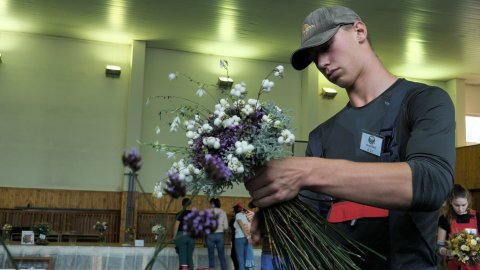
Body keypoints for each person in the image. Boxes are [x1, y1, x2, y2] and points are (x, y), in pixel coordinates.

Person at [245, 5, 455, 270]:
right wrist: (278, 218)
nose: (321, 63)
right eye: (314, 56)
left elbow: (432, 182)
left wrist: (306, 170)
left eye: (325, 46)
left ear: (359, 30)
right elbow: (313, 222)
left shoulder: (424, 101)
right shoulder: (322, 136)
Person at [437, 184, 480, 270]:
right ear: (450, 202)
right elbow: (439, 246)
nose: (460, 209)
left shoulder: (477, 217)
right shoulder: (445, 219)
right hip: (454, 265)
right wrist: (447, 252)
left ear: (468, 201)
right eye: (456, 205)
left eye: (464, 205)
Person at [172, 198, 195, 270]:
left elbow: (176, 225)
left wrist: (174, 237)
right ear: (190, 205)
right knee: (189, 257)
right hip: (191, 236)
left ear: (182, 205)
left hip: (181, 235)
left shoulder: (179, 213)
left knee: (183, 257)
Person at [206, 198, 229, 270]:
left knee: (211, 255)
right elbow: (226, 227)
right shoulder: (223, 212)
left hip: (210, 235)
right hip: (220, 235)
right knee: (222, 255)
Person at [233, 202, 254, 270]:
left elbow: (242, 226)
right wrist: (249, 237)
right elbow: (250, 226)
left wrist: (248, 237)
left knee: (241, 259)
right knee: (246, 259)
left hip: (239, 239)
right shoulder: (247, 215)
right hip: (247, 238)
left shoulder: (238, 215)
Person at [229, 204, 241, 270]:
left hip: (235, 239)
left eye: (233, 211)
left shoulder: (234, 219)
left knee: (234, 255)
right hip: (239, 239)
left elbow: (230, 228)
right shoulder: (241, 218)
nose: (232, 212)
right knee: (237, 256)